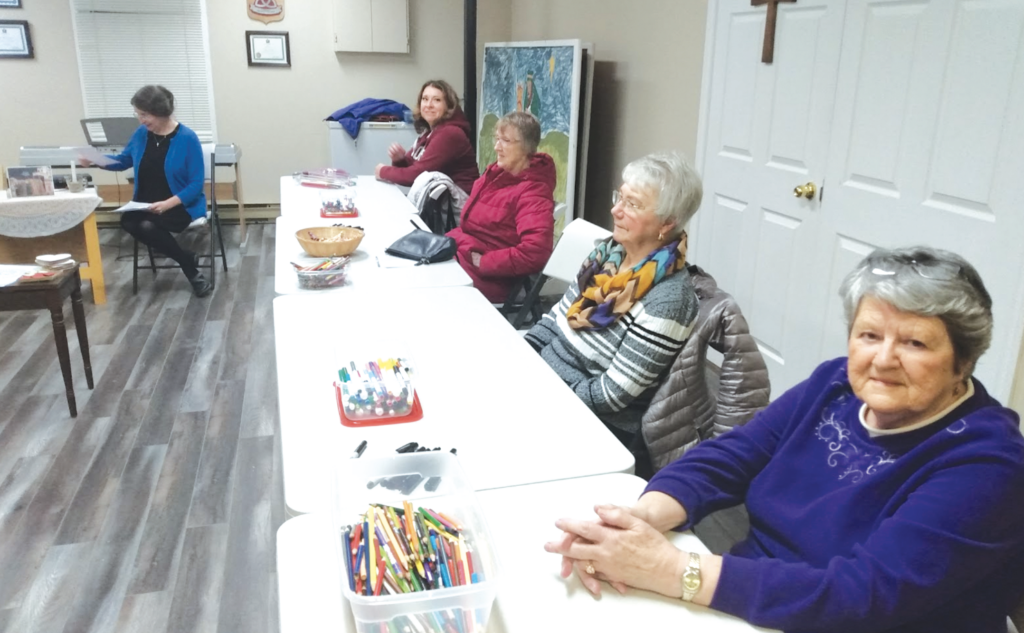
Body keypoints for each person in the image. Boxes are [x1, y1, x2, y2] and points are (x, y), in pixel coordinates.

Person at [545, 246, 1024, 633]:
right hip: (749, 599)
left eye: (915, 343)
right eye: (869, 335)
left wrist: (672, 570)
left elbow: (864, 596)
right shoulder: (834, 383)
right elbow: (734, 455)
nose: (882, 359)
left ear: (964, 359)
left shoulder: (986, 464)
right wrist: (636, 520)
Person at [524, 152, 702, 475]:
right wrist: (523, 356)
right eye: (619, 196)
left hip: (596, 426)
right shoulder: (608, 254)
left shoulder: (668, 299)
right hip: (547, 388)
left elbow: (611, 395)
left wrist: (545, 390)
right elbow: (556, 319)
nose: (615, 210)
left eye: (632, 204)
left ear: (667, 223)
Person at [84, 85, 211, 297]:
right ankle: (185, 258)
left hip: (178, 206)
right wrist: (95, 159)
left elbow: (196, 184)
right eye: (138, 114)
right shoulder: (141, 134)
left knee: (147, 226)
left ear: (161, 111)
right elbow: (123, 161)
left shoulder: (187, 138)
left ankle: (191, 272)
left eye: (145, 114)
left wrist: (168, 204)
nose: (141, 120)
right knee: (128, 222)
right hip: (145, 203)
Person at [447, 111, 555, 303]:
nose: (497, 147)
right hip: (465, 259)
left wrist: (485, 262)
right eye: (497, 139)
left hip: (490, 279)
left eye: (505, 140)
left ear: (526, 147)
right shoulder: (495, 176)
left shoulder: (533, 191)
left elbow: (535, 253)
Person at [375, 79, 478, 195]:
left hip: (459, 207)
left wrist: (383, 171)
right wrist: (400, 160)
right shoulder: (429, 132)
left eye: (437, 100)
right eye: (425, 99)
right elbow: (412, 167)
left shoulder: (450, 134)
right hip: (440, 204)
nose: (429, 105)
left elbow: (416, 176)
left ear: (448, 106)